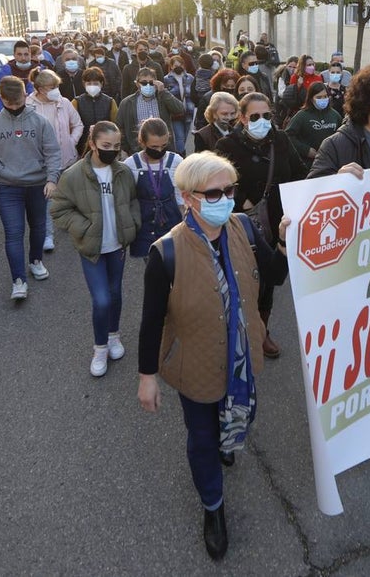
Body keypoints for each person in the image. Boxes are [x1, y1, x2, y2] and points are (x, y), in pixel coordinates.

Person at [137, 151, 290, 560]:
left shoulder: (242, 226)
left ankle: (229, 441)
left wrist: (283, 240)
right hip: (197, 367)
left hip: (243, 359)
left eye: (230, 189)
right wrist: (147, 376)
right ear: (188, 198)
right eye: (215, 192)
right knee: (202, 438)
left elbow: (274, 275)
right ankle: (213, 509)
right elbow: (151, 321)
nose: (226, 198)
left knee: (242, 415)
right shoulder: (164, 252)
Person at [215, 92, 306, 360]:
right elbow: (218, 182)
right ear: (242, 118)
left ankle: (261, 331)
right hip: (241, 224)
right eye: (255, 116)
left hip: (277, 222)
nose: (262, 121)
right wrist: (241, 201)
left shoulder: (280, 139)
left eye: (267, 116)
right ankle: (235, 330)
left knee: (268, 281)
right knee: (242, 279)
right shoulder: (227, 144)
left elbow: (301, 172)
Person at [51, 120, 140, 377]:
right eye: (106, 145)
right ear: (92, 144)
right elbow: (58, 210)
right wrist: (85, 228)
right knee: (101, 300)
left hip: (117, 246)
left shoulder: (122, 171)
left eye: (116, 145)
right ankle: (100, 347)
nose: (112, 150)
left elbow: (133, 201)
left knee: (115, 294)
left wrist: (133, 224)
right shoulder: (73, 175)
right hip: (92, 249)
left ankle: (114, 335)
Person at [0, 76, 61, 300]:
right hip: (8, 187)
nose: (15, 108)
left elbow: (53, 152)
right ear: (2, 99)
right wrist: (1, 171)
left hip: (37, 185)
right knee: (13, 233)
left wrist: (52, 179)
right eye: (10, 104)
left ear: (26, 95)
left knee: (38, 227)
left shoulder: (40, 122)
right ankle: (18, 280)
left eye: (19, 102)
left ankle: (35, 260)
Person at [27, 69, 84, 251]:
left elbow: (78, 124)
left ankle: (70, 223)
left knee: (68, 194)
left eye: (57, 86)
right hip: (42, 162)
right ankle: (47, 235)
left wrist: (71, 141)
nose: (56, 90)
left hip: (67, 159)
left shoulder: (64, 102)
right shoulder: (29, 105)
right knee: (47, 197)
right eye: (52, 87)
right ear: (40, 88)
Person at [124, 117, 184, 259]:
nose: (159, 150)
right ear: (142, 142)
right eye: (154, 147)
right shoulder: (130, 165)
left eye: (163, 146)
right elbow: (127, 199)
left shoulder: (176, 161)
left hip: (172, 222)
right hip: (145, 225)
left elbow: (181, 196)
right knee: (153, 267)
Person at [117, 67, 185, 155]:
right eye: (144, 83)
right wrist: (128, 148)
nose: (148, 86)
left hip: (163, 149)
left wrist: (163, 92)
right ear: (137, 84)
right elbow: (119, 127)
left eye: (151, 83)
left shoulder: (162, 98)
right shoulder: (127, 103)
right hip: (138, 151)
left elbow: (179, 109)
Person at [286, 82, 342, 171]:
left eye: (325, 96)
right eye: (319, 97)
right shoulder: (302, 115)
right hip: (308, 164)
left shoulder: (335, 115)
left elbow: (342, 136)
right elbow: (288, 136)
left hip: (331, 163)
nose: (323, 99)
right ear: (311, 99)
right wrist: (306, 150)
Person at [72, 66, 118, 155]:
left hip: (105, 146)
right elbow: (72, 126)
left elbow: (115, 125)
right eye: (89, 83)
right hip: (82, 147)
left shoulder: (110, 102)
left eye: (95, 83)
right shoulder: (76, 102)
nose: (92, 86)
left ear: (101, 83)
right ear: (84, 83)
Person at [164, 54, 197, 156]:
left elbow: (193, 94)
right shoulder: (166, 79)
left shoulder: (190, 78)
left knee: (185, 136)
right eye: (175, 65)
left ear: (183, 65)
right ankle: (181, 157)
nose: (178, 67)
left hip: (188, 111)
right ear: (171, 66)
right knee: (180, 137)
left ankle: (180, 154)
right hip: (175, 113)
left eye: (180, 65)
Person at [0, 40, 37, 111]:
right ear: (14, 55)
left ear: (30, 55)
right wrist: (4, 112)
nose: (23, 58)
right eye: (19, 54)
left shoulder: (39, 70)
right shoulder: (5, 72)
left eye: (26, 54)